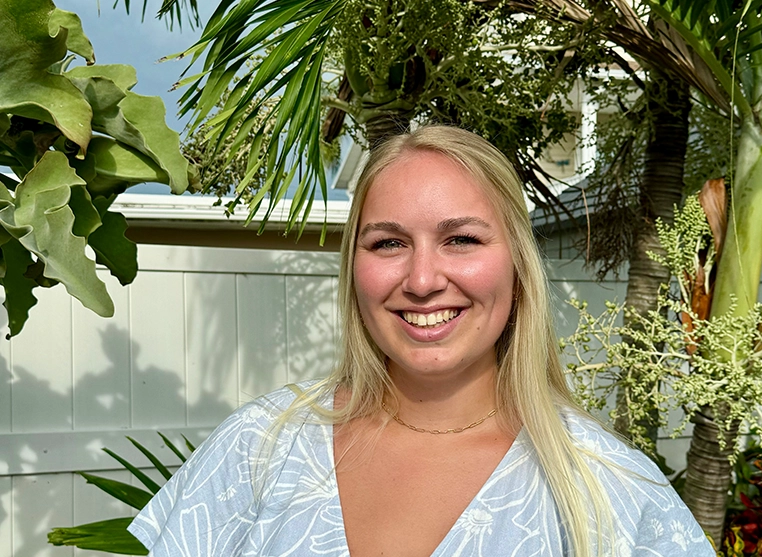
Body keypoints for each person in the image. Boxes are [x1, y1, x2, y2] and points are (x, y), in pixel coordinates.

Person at [128, 125, 715, 556]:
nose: (423, 280)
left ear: (517, 261)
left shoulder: (610, 488)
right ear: (353, 265)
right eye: (388, 243)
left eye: (460, 239)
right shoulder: (259, 447)